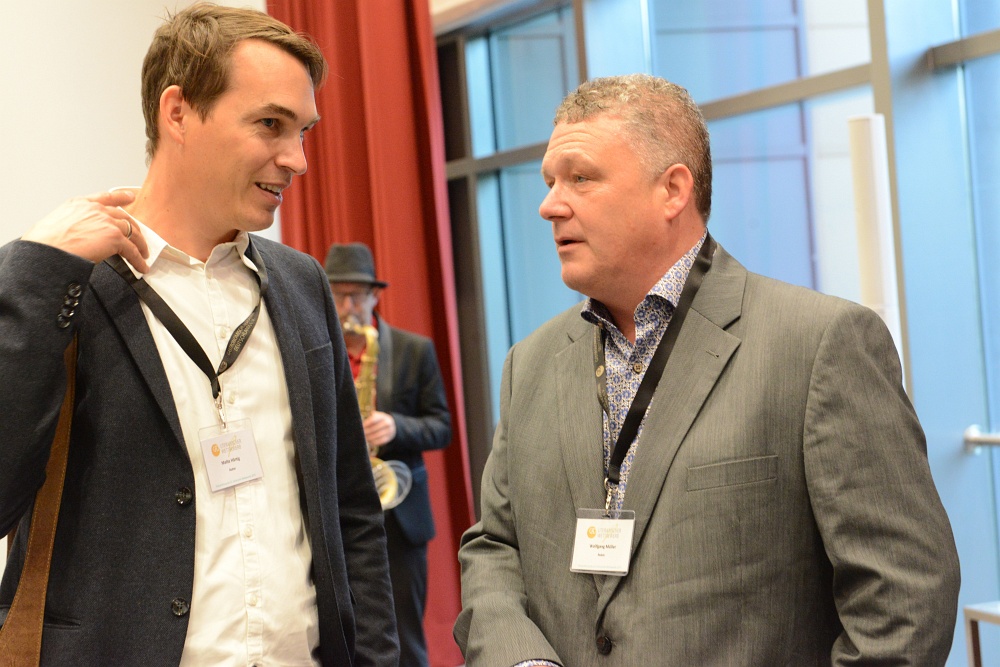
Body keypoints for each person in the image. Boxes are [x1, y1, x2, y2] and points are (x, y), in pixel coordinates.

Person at [454, 73, 960, 666]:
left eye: (581, 178)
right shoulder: (530, 364)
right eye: (550, 182)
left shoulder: (818, 345)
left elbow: (904, 597)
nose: (550, 205)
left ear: (672, 191)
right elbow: (495, 547)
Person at [0, 4, 398, 665]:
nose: (297, 159)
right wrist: (37, 270)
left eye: (303, 131)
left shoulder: (301, 284)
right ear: (178, 112)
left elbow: (351, 509)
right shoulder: (69, 282)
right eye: (269, 124)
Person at [325, 242, 452, 667]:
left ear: (375, 296)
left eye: (357, 296)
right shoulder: (317, 353)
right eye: (339, 295)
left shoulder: (415, 350)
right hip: (339, 511)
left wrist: (397, 426)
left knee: (406, 636)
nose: (348, 307)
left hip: (401, 515)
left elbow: (441, 426)